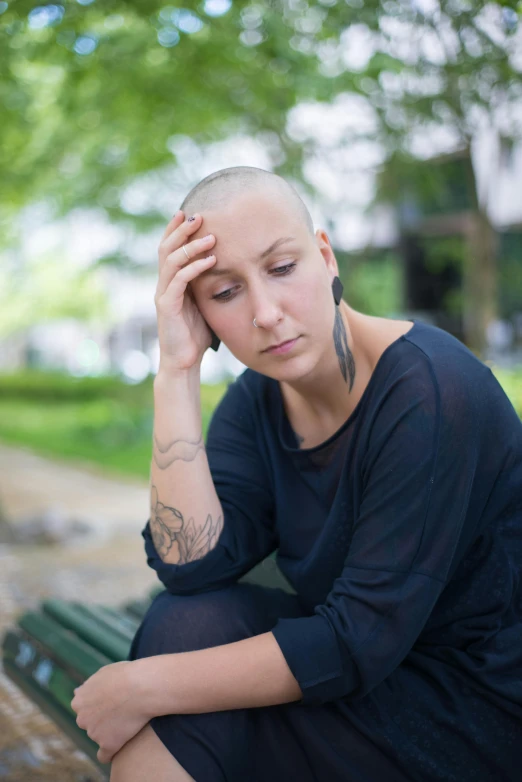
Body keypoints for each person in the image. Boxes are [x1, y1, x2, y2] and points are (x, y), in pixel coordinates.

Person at [75, 166, 522, 781]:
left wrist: (144, 686)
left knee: (177, 697)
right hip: (355, 679)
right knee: (185, 622)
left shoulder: (431, 393)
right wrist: (176, 371)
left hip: (465, 707)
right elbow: (192, 567)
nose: (265, 313)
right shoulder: (259, 401)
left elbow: (357, 640)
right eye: (224, 292)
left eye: (282, 269)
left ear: (325, 257)